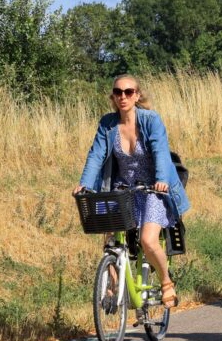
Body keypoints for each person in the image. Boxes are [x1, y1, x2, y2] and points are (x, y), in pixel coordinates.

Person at [75, 74, 191, 309]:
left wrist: (160, 180)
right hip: (122, 189)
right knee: (109, 239)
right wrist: (85, 184)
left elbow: (160, 150)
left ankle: (166, 282)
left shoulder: (150, 120)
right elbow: (96, 154)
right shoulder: (108, 124)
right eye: (118, 92)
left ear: (137, 95)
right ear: (113, 96)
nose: (123, 96)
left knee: (148, 241)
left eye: (128, 92)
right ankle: (112, 286)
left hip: (152, 189)